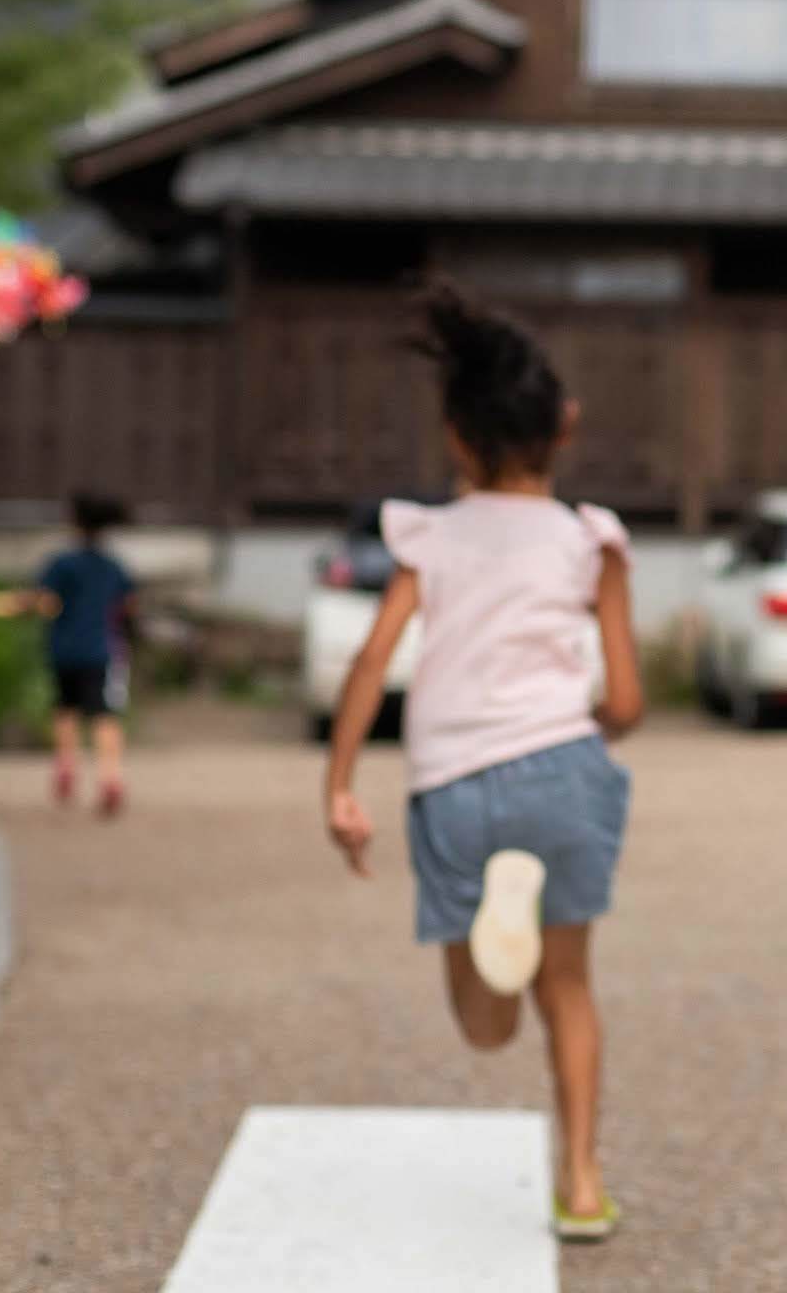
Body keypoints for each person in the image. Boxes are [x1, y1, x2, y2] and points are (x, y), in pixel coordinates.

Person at [324, 287, 645, 1246]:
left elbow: (372, 659)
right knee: (571, 987)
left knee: (487, 1025)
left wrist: (339, 786)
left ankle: (499, 953)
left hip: (454, 782)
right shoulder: (593, 541)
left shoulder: (429, 536)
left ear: (456, 438)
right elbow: (627, 702)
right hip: (563, 768)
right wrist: (587, 724)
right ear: (566, 427)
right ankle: (581, 1183)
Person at [32, 491, 137, 816]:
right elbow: (128, 606)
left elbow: (45, 603)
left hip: (64, 649)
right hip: (100, 650)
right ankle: (110, 777)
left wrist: (25, 604)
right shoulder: (113, 567)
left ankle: (66, 765)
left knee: (65, 708)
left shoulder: (61, 563)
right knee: (105, 714)